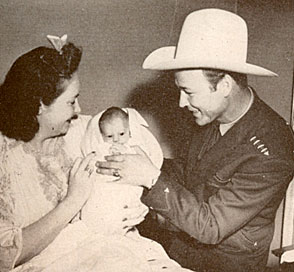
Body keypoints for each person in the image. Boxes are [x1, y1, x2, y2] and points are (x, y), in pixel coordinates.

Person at [96, 8, 294, 272]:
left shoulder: (274, 146)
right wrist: (139, 162)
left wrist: (150, 177)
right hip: (179, 250)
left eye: (188, 91)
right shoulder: (209, 115)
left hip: (225, 265)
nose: (182, 103)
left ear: (224, 86)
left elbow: (211, 226)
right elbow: (191, 171)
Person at [0, 35, 192, 272]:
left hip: (115, 244)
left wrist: (142, 199)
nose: (79, 109)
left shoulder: (82, 129)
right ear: (40, 105)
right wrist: (73, 201)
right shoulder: (5, 158)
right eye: (71, 101)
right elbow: (5, 256)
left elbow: (135, 144)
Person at [80, 106, 163, 235]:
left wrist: (126, 152)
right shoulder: (101, 148)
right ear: (102, 136)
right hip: (105, 188)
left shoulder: (134, 148)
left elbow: (147, 166)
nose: (116, 139)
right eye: (109, 136)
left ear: (130, 132)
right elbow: (94, 162)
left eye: (121, 134)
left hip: (126, 188)